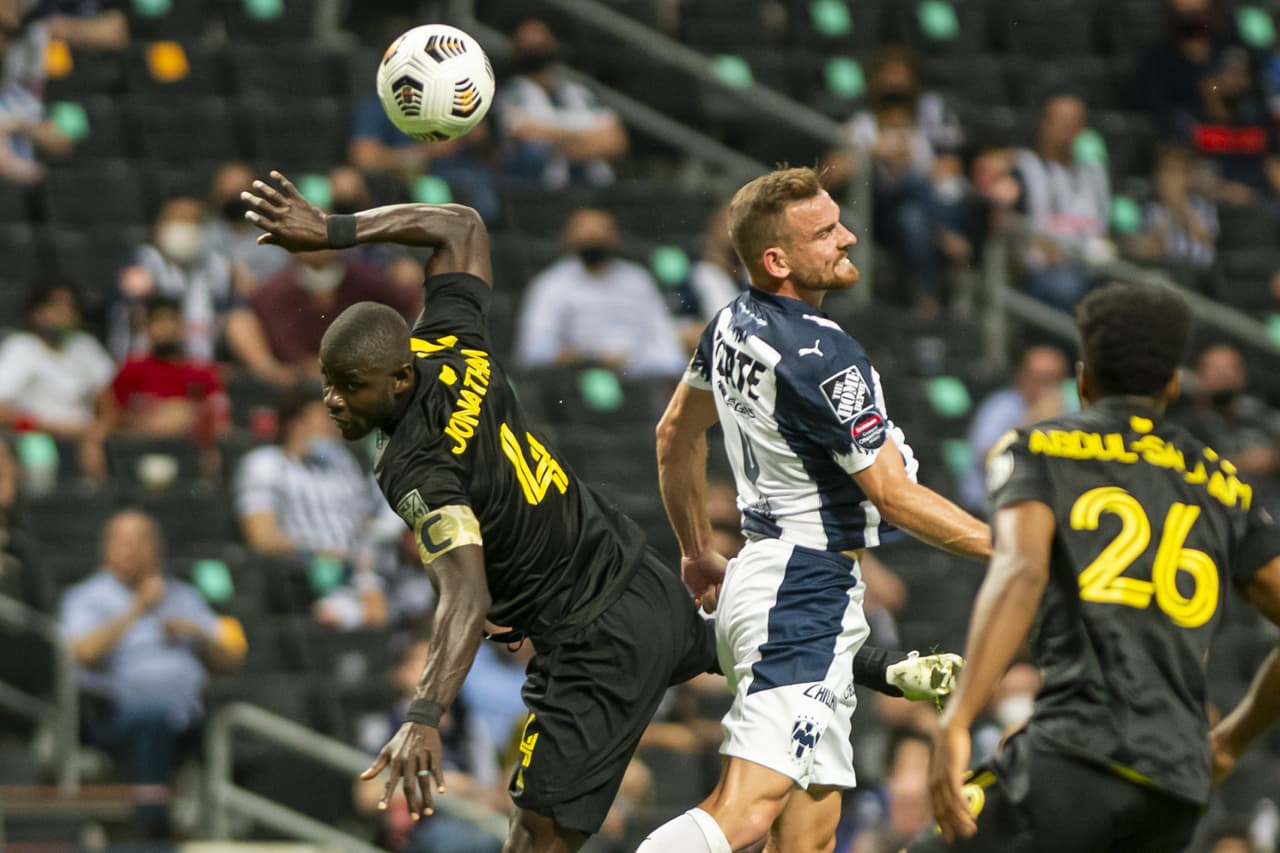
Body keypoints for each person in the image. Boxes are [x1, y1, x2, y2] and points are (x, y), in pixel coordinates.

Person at [240, 169, 964, 853]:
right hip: (640, 584)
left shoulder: (413, 467)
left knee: (542, 841)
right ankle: (877, 664)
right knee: (786, 775)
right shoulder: (452, 342)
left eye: (349, 386)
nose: (331, 399)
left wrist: (424, 714)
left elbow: (467, 591)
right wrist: (334, 230)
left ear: (399, 378)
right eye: (328, 383)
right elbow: (458, 226)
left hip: (591, 646)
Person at [641, 166, 989, 853]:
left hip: (769, 579)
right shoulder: (826, 356)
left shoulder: (731, 322)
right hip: (803, 590)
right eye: (826, 231)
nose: (848, 236)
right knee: (740, 816)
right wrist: (1017, 552)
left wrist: (694, 551)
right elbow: (894, 495)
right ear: (777, 260)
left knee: (810, 837)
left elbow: (674, 434)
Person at [916, 282, 1280, 851]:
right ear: (1173, 384)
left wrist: (957, 718)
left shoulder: (1038, 449)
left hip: (1078, 754)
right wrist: (1230, 741)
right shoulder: (1223, 483)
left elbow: (1021, 572)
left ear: (1083, 379)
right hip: (1176, 787)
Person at [60, 509, 245, 833]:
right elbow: (83, 653)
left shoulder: (182, 595)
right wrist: (138, 609)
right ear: (106, 547)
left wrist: (196, 633)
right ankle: (152, 828)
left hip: (189, 713)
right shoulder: (87, 596)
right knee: (155, 721)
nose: (131, 549)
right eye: (122, 541)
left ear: (158, 547)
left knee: (238, 723)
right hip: (111, 713)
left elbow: (231, 656)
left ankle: (242, 825)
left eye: (140, 541)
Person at [111, 196, 290, 386]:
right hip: (148, 363)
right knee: (159, 319)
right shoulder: (143, 261)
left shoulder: (218, 266)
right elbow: (130, 312)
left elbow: (234, 316)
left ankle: (274, 376)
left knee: (239, 316)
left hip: (200, 365)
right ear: (160, 226)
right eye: (179, 220)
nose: (186, 227)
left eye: (193, 221)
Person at [514, 207, 687, 378]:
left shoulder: (637, 280)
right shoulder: (551, 285)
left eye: (601, 234)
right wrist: (590, 359)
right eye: (587, 235)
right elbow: (534, 351)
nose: (594, 239)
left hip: (640, 379)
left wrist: (630, 361)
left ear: (615, 238)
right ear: (569, 238)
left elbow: (666, 345)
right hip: (579, 382)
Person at [495, 18, 628, 189]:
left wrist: (555, 139)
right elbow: (525, 133)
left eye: (541, 42)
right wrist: (588, 138)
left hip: (593, 190)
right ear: (515, 49)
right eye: (528, 44)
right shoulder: (510, 93)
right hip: (537, 194)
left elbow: (616, 140)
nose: (535, 48)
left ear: (553, 44)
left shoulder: (578, 93)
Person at [249, 248, 421, 375]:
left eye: (323, 235)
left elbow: (409, 301)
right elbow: (291, 352)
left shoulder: (361, 279)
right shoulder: (275, 293)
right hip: (305, 382)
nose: (317, 247)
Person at [959, 344, 1072, 512]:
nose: (1045, 386)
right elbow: (987, 460)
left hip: (1049, 511)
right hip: (989, 510)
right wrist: (1033, 423)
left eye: (1052, 379)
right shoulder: (1001, 406)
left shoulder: (1072, 411)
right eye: (1039, 378)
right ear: (1022, 376)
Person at [109, 294, 229, 442]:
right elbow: (111, 416)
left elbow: (221, 420)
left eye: (171, 320)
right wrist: (150, 419)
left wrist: (190, 414)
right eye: (157, 321)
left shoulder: (201, 372)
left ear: (181, 326)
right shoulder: (131, 369)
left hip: (189, 448)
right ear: (146, 327)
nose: (165, 328)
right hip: (142, 448)